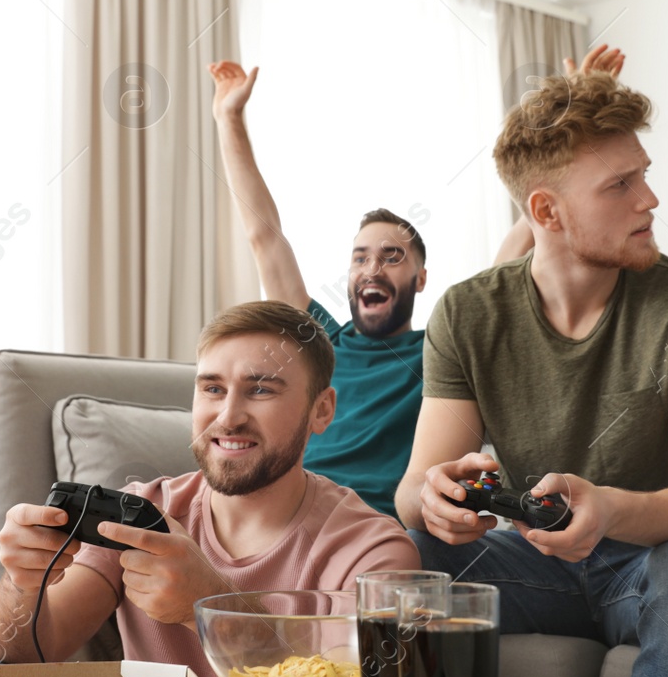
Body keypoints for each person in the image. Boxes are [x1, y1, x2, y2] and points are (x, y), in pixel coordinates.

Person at [394, 66, 668, 677]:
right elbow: (414, 487)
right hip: (531, 565)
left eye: (644, 177)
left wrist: (612, 509)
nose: (650, 200)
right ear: (547, 211)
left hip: (645, 566)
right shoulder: (467, 312)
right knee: (395, 550)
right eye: (620, 185)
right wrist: (436, 496)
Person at [205, 45, 623, 517]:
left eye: (392, 257)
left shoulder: (441, 348)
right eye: (360, 257)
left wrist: (579, 111)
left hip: (382, 531)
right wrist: (228, 117)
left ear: (421, 279)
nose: (372, 269)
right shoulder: (317, 340)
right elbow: (264, 236)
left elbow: (526, 233)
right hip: (297, 518)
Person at [0, 300, 419, 674]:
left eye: (261, 390)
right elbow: (11, 660)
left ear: (321, 410)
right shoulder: (140, 512)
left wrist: (207, 606)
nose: (228, 417)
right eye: (212, 388)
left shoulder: (373, 551)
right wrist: (21, 583)